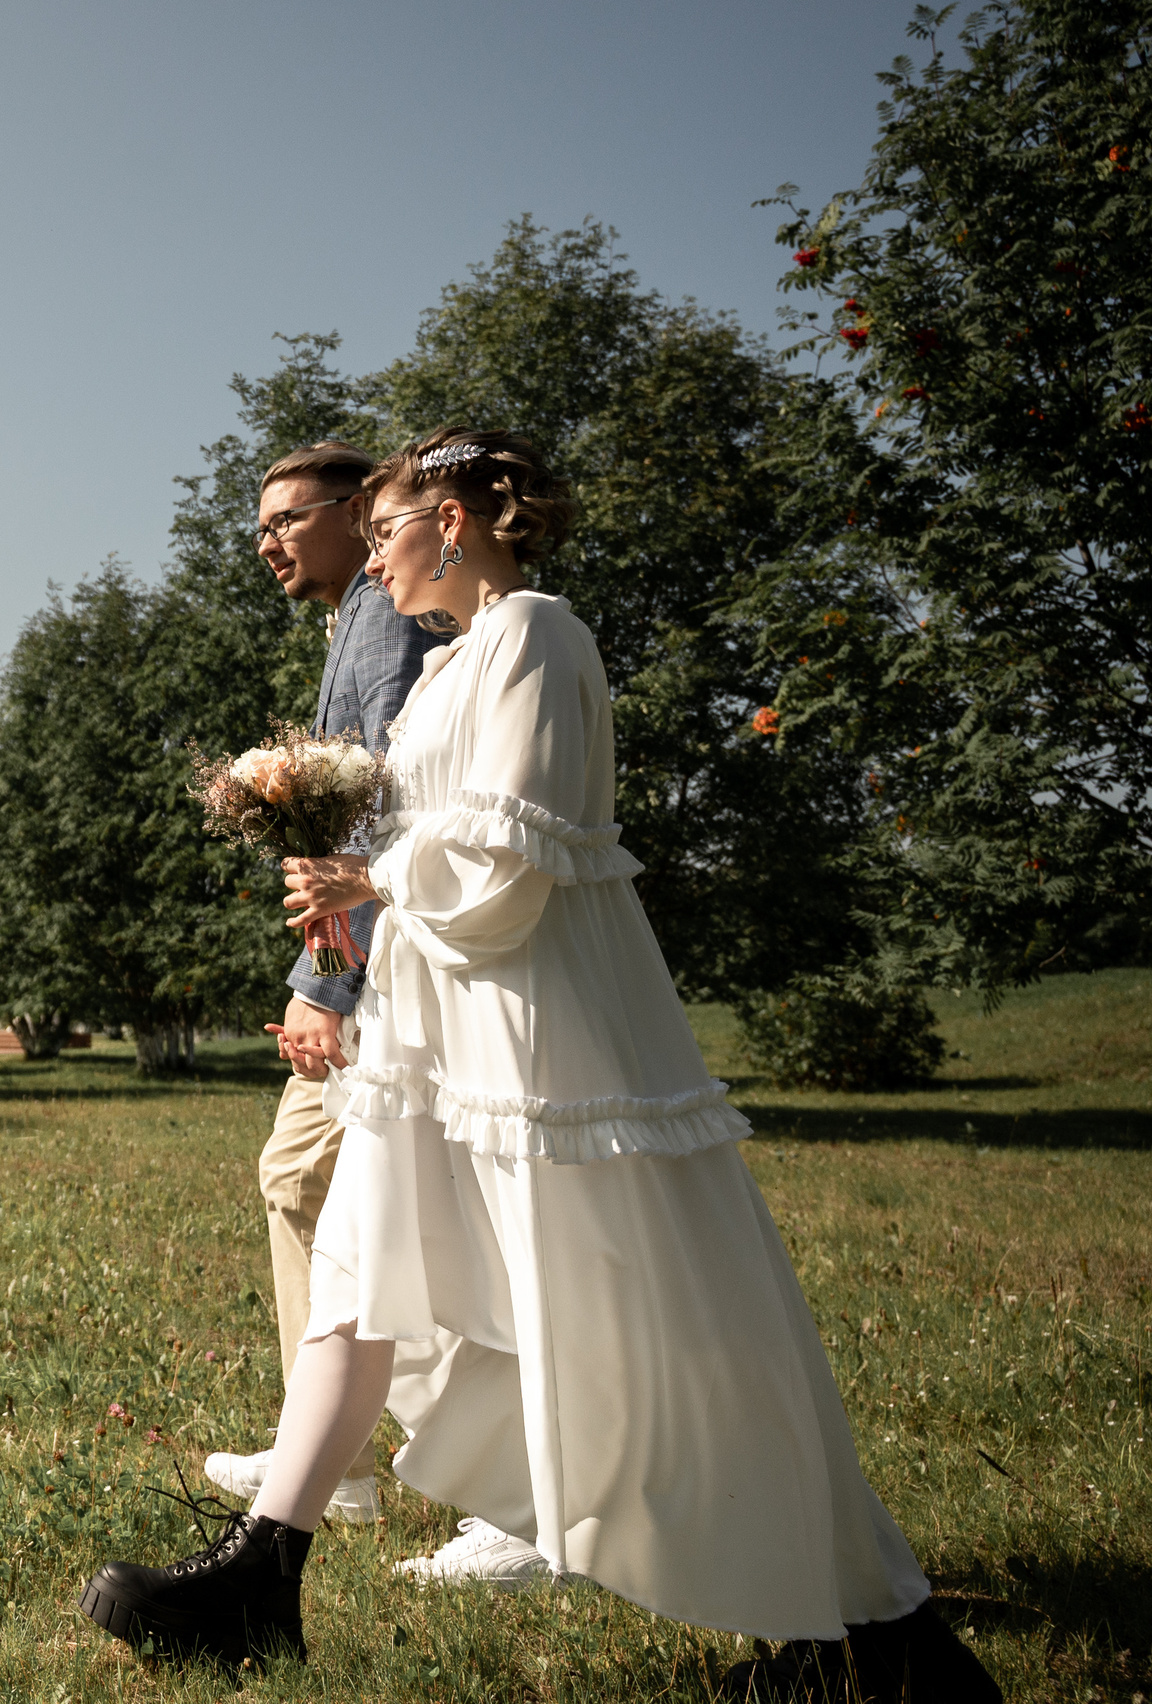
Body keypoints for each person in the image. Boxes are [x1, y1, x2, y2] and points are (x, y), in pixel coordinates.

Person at [78, 427, 998, 1702]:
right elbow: (429, 837)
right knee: (354, 1277)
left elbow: (511, 866)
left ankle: (876, 1642)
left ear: (450, 522)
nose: (375, 562)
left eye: (387, 531)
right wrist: (343, 869)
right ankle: (257, 1577)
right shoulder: (450, 663)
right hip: (430, 1032)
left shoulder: (536, 636)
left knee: (661, 1322)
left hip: (535, 1038)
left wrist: (370, 877)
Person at [198, 441, 445, 1534]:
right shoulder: (354, 616)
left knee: (303, 1178)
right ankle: (329, 1449)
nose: (268, 544)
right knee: (317, 1188)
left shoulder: (383, 617)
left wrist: (326, 985)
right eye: (260, 527)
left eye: (287, 520)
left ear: (356, 513)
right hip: (369, 957)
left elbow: (387, 802)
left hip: (382, 969)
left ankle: (333, 1462)